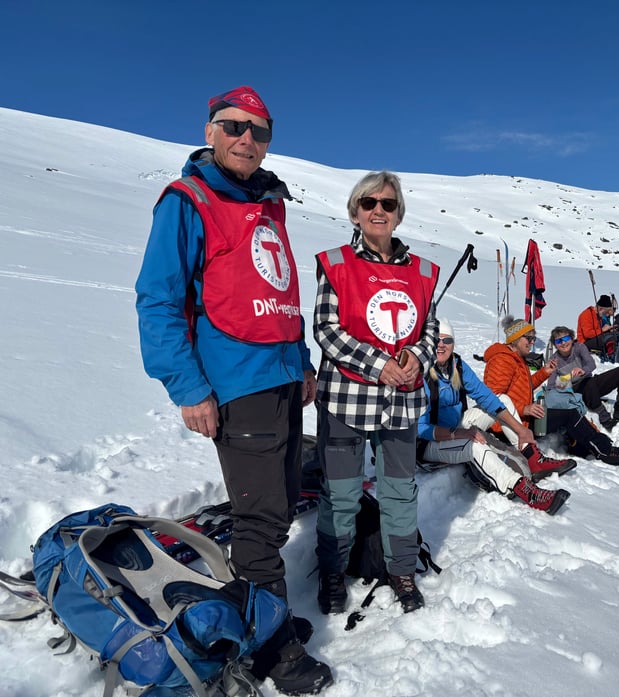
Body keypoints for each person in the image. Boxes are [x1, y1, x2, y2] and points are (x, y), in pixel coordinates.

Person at [135, 86, 332, 694]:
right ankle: (275, 650)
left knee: (277, 506)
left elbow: (280, 301)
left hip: (279, 378)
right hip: (235, 385)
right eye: (234, 127)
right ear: (210, 130)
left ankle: (261, 613)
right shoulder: (187, 201)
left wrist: (301, 361)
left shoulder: (268, 204)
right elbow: (159, 300)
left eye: (260, 130)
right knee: (260, 517)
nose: (247, 138)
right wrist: (188, 387)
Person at [314, 171, 439, 616]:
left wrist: (417, 360)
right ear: (355, 211)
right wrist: (379, 364)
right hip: (347, 401)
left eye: (388, 203)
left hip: (402, 403)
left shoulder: (422, 272)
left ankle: (402, 569)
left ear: (399, 212)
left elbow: (429, 329)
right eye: (369, 203)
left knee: (400, 490)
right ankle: (331, 569)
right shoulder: (337, 263)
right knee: (342, 492)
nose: (379, 210)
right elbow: (326, 331)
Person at [417, 318, 571, 515]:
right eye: (437, 340)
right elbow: (420, 428)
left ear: (453, 344)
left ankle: (531, 457)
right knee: (473, 444)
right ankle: (524, 489)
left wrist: (521, 429)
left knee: (502, 400)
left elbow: (486, 396)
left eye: (447, 341)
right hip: (428, 443)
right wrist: (460, 434)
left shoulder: (457, 365)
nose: (441, 345)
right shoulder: (422, 373)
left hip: (456, 425)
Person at [484, 319, 619, 467]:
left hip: (521, 418)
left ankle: (584, 448)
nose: (532, 342)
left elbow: (524, 386)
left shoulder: (517, 359)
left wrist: (544, 372)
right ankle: (604, 451)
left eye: (533, 338)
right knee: (569, 415)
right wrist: (525, 408)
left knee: (568, 413)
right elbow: (493, 398)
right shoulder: (502, 361)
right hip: (507, 426)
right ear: (515, 339)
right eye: (529, 338)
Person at [546, 326, 619, 429]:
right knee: (589, 384)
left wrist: (583, 370)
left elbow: (591, 364)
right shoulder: (554, 360)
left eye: (566, 339)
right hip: (574, 391)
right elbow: (551, 386)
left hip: (590, 383)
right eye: (558, 341)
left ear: (571, 339)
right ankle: (604, 417)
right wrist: (568, 377)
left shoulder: (579, 347)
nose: (563, 343)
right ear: (555, 345)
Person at [576, 294, 619, 359]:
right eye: (605, 312)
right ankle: (611, 355)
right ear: (600, 309)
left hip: (593, 339)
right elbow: (587, 334)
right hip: (584, 343)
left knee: (615, 334)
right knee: (610, 337)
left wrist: (609, 329)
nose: (606, 314)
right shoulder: (586, 315)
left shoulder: (598, 315)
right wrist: (602, 330)